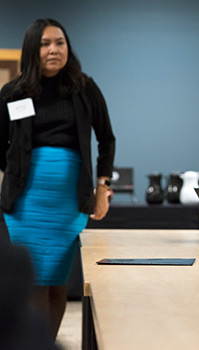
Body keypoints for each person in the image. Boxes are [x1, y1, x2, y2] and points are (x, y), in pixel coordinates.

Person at [0, 19, 116, 337]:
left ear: (68, 48)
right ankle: (38, 343)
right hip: (27, 204)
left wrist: (103, 186)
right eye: (45, 43)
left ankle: (47, 341)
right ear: (32, 49)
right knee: (36, 279)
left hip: (68, 201)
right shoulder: (14, 92)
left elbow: (107, 139)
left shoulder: (84, 88)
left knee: (56, 279)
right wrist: (15, 168)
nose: (54, 49)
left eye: (60, 42)